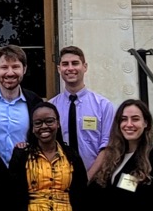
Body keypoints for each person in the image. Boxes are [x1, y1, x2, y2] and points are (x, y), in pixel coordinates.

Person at [9, 101, 92, 211]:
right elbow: (15, 201)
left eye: (49, 121)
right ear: (32, 128)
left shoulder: (72, 156)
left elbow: (81, 200)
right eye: (38, 123)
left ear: (58, 123)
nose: (44, 126)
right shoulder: (21, 156)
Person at [49, 45, 115, 181]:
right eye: (65, 64)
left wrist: (88, 178)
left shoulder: (103, 106)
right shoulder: (51, 107)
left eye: (75, 63)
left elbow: (107, 145)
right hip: (58, 182)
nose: (70, 68)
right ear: (59, 69)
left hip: (94, 181)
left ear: (85, 67)